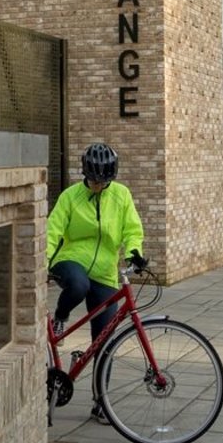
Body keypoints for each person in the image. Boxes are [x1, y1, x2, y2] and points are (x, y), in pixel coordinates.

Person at [46, 141, 145, 421]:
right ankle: (60, 316)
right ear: (85, 175)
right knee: (79, 286)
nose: (99, 185)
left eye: (104, 181)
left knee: (105, 340)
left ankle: (101, 401)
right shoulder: (70, 196)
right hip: (71, 260)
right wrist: (43, 264)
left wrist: (135, 252)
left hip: (105, 271)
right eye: (93, 180)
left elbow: (132, 229)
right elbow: (53, 232)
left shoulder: (121, 196)